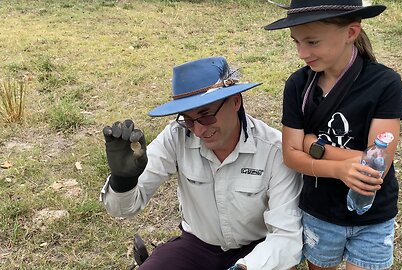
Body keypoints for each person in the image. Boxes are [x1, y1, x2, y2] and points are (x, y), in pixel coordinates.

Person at [100, 56, 303, 270]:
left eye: (206, 116)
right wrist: (123, 181)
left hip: (259, 250)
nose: (198, 130)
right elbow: (123, 209)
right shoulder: (176, 136)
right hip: (197, 247)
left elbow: (285, 237)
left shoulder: (275, 150)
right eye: (187, 119)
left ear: (236, 101)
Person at [264, 1, 402, 270]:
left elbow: (377, 164)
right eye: (296, 42)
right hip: (320, 213)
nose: (302, 52)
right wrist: (341, 168)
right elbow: (290, 155)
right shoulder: (297, 85)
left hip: (373, 217)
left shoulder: (385, 83)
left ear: (351, 33)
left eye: (312, 42)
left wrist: (313, 145)